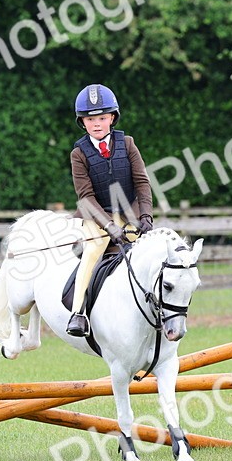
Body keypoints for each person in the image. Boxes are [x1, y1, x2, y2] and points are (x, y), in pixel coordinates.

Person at [67, 83, 154, 337]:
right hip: (96, 215)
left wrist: (146, 214)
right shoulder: (78, 154)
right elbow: (85, 196)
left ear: (112, 118)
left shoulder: (127, 144)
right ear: (82, 122)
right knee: (94, 249)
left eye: (102, 118)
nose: (97, 124)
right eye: (91, 119)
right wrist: (109, 227)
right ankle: (78, 313)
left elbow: (142, 182)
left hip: (129, 213)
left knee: (151, 250)